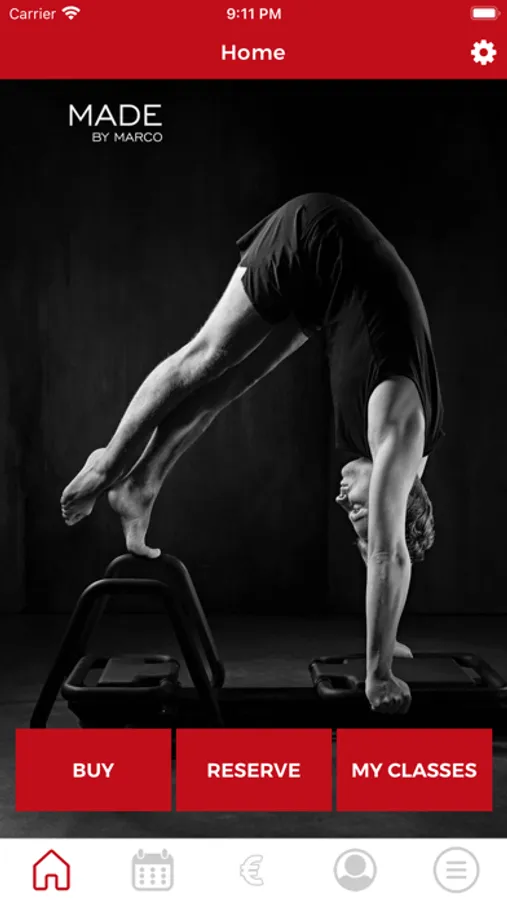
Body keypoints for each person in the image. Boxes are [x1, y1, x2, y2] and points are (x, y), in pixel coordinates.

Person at [60, 193, 444, 715]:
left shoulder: (408, 462)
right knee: (207, 355)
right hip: (319, 236)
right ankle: (108, 463)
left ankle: (139, 486)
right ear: (393, 487)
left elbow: (385, 548)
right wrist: (380, 675)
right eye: (357, 507)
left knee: (228, 385)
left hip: (327, 287)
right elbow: (386, 553)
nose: (343, 501)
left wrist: (387, 639)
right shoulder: (398, 430)